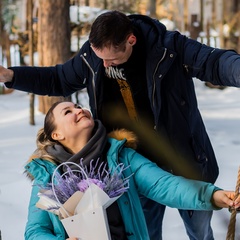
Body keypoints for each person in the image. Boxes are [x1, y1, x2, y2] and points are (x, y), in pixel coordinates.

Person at [1, 10, 240, 239]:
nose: (104, 65)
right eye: (99, 58)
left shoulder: (169, 47)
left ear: (131, 40)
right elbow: (58, 78)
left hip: (183, 161)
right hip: (134, 165)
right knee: (146, 231)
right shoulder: (92, 58)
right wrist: (11, 76)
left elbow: (215, 62)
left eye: (110, 58)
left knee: (199, 230)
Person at [24, 101, 240, 240]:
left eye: (78, 106)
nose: (79, 110)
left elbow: (165, 185)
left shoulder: (120, 157)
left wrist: (213, 195)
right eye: (68, 112)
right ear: (56, 135)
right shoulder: (48, 175)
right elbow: (35, 232)